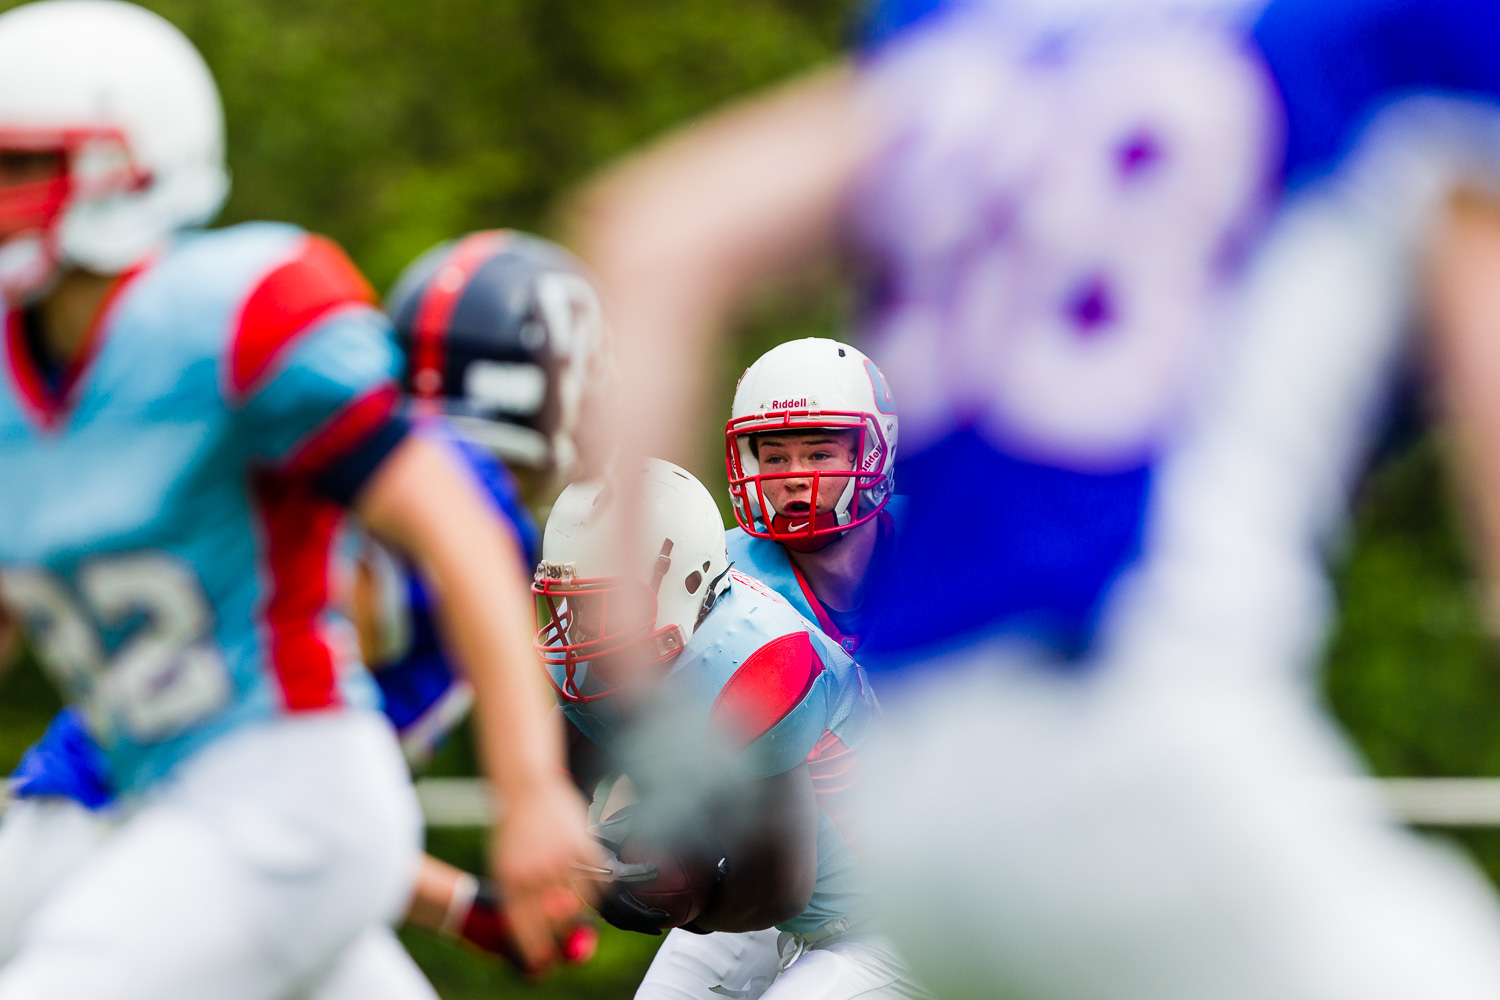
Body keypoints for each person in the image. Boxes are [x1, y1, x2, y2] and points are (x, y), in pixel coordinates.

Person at [567, 0, 1500, 997]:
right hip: (1138, 729)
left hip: (915, 805)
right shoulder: (1384, 32)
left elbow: (651, 239)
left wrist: (653, 732)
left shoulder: (960, 37)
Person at [0, 4, 597, 998]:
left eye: (19, 166)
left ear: (131, 168)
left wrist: (529, 789)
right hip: (157, 804)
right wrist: (464, 896)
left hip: (280, 794)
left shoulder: (227, 315)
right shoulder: (21, 377)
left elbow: (457, 530)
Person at [534, 458, 917, 999]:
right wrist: (588, 859)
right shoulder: (605, 650)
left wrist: (671, 897)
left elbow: (776, 890)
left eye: (603, 602)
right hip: (783, 896)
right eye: (573, 602)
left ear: (684, 583)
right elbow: (558, 776)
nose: (579, 624)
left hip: (893, 919)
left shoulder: (763, 662)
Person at [723, 337, 899, 654]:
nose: (795, 479)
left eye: (819, 455)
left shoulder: (942, 543)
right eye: (775, 459)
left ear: (871, 454)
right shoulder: (717, 576)